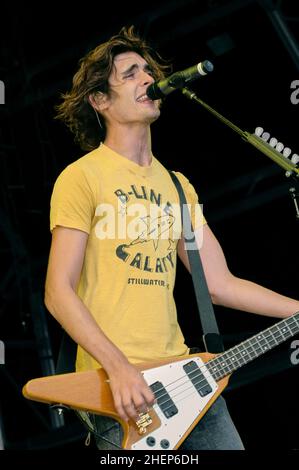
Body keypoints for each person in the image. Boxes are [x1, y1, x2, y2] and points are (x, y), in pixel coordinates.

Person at [45, 25, 299, 450]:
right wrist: (120, 368)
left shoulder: (178, 187)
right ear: (100, 100)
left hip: (188, 380)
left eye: (147, 70)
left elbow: (220, 284)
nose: (147, 78)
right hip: (118, 389)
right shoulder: (81, 177)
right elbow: (57, 291)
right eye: (130, 74)